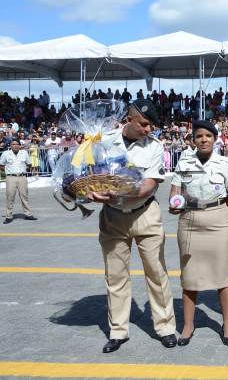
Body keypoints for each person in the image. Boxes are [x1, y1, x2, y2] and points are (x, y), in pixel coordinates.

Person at [86, 99, 177, 353]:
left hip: (145, 214)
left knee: (156, 273)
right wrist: (91, 191)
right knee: (115, 276)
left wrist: (117, 192)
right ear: (130, 119)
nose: (149, 130)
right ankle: (118, 331)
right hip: (113, 217)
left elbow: (149, 185)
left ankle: (166, 327)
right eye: (144, 124)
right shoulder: (102, 141)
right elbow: (90, 174)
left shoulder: (155, 147)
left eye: (152, 126)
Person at [169, 120, 228, 346]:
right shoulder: (184, 161)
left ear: (215, 139)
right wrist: (174, 203)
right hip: (189, 220)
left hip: (218, 219)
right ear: (193, 140)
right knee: (189, 275)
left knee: (222, 274)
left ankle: (227, 323)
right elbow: (175, 191)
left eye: (208, 136)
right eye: (199, 136)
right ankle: (188, 325)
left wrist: (215, 208)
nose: (203, 140)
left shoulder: (224, 163)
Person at [0, 139, 36, 223]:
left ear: (19, 145)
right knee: (10, 197)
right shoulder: (6, 154)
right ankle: (8, 216)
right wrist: (7, 170)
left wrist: (22, 169)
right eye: (13, 144)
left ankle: (28, 214)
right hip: (11, 177)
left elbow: (29, 164)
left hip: (22, 177)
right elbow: (1, 165)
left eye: (17, 144)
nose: (15, 146)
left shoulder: (24, 153)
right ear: (10, 146)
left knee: (24, 197)